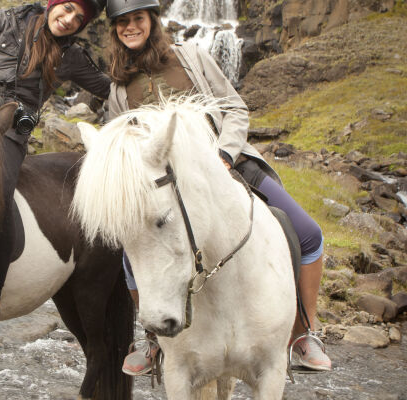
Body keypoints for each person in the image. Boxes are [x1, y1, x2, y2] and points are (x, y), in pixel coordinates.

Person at [105, 0, 332, 375]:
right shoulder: (117, 88)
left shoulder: (191, 55)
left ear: (152, 21)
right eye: (123, 22)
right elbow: (123, 147)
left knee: (308, 235)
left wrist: (225, 154)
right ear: (114, 30)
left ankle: (303, 332)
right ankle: (152, 338)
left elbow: (235, 108)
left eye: (138, 19)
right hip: (164, 188)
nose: (131, 27)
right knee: (133, 256)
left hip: (228, 166)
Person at [0, 0, 109, 349]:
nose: (68, 19)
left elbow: (108, 88)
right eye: (66, 8)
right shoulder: (5, 20)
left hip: (10, 133)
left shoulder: (73, 57)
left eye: (78, 18)